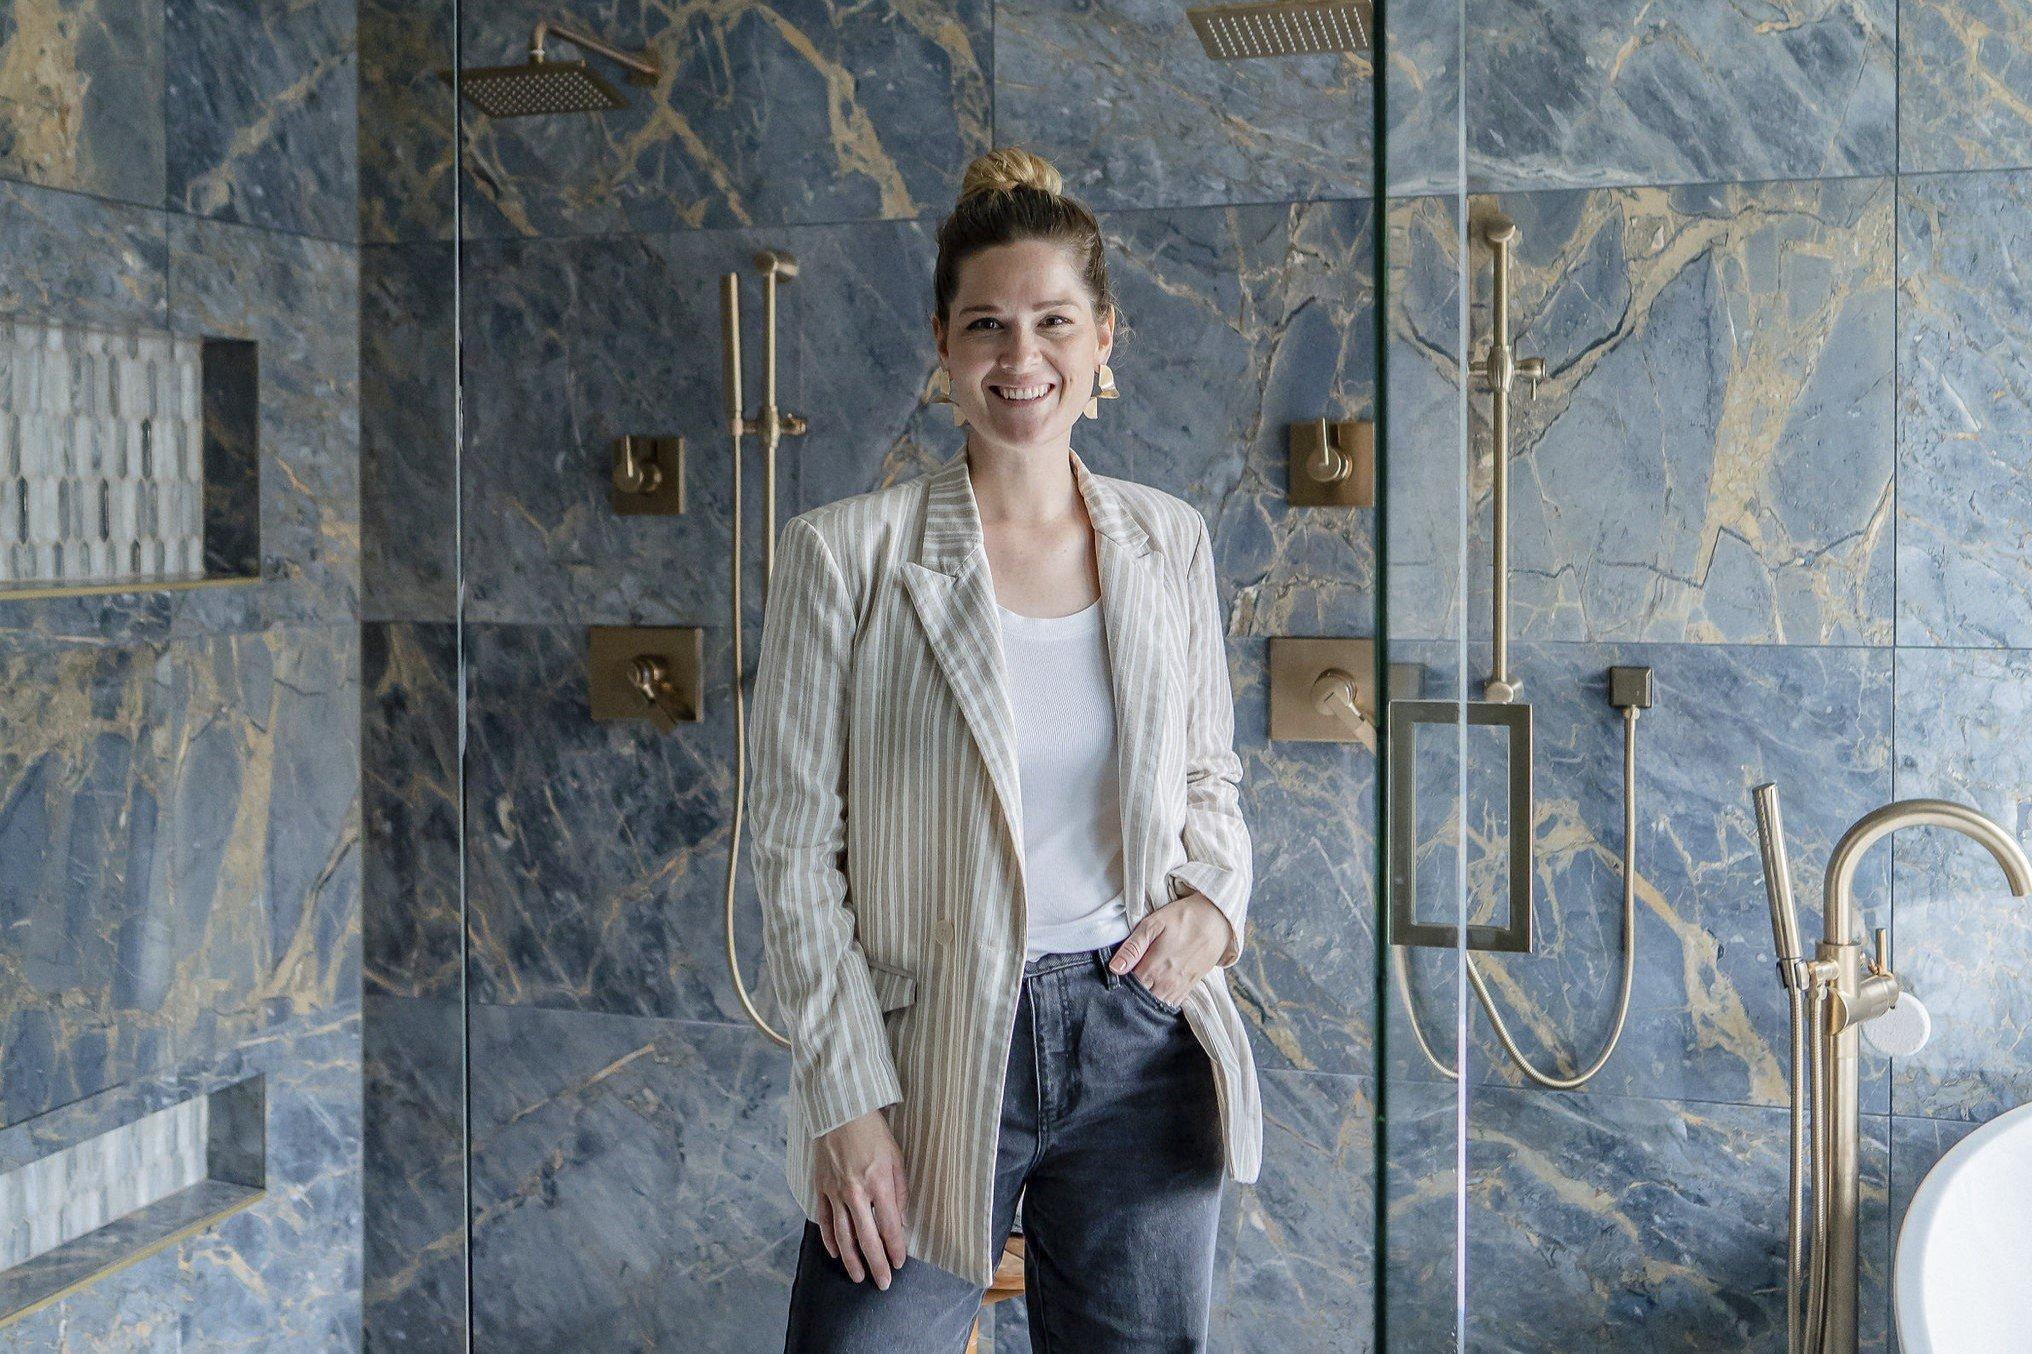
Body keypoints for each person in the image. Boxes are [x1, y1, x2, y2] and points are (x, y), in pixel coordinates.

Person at [748, 145, 1261, 1353]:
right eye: (985, 324)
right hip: (926, 1046)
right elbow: (787, 848)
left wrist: (1215, 908)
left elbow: (1207, 777)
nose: (1018, 358)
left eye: (1050, 321)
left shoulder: (1166, 541)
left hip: (1138, 1035)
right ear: (942, 346)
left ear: (1102, 340)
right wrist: (844, 1099)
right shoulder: (846, 555)